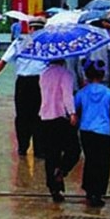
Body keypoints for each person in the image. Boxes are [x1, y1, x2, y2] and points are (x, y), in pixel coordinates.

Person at [0, 19, 48, 157]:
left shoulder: (26, 42)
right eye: (35, 29)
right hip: (31, 82)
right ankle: (29, 148)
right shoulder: (32, 43)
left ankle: (31, 148)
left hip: (34, 82)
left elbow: (4, 61)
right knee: (30, 115)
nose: (35, 32)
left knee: (32, 115)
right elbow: (4, 60)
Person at [75, 60, 110, 207]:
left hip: (86, 131)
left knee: (90, 160)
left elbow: (74, 108)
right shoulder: (109, 93)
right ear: (102, 75)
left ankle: (89, 190)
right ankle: (98, 193)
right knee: (103, 163)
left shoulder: (82, 92)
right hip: (103, 132)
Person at [39, 58, 80, 203]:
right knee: (74, 150)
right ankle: (62, 170)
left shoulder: (43, 74)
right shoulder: (66, 74)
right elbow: (67, 95)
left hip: (45, 117)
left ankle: (54, 189)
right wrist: (72, 112)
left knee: (51, 155)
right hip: (61, 117)